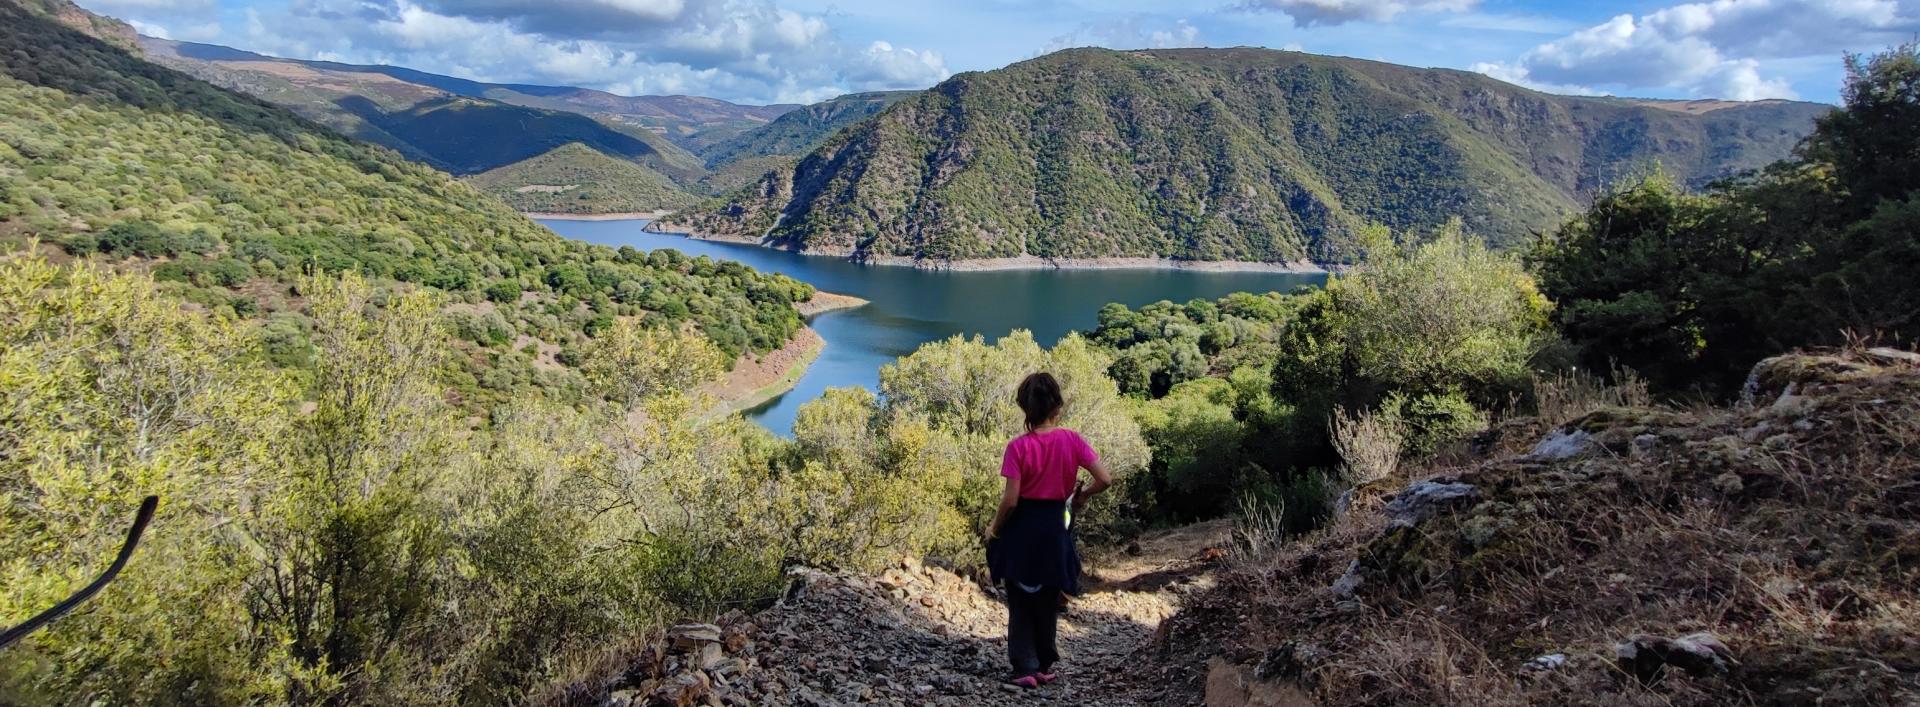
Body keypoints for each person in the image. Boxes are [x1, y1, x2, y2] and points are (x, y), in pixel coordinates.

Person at [985, 372, 1112, 689]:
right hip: (1055, 527)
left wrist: (994, 529)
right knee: (1046, 595)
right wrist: (1080, 497)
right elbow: (1105, 479)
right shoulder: (1073, 441)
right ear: (1057, 406)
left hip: (1022, 529)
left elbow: (1011, 500)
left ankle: (1024, 667)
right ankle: (1043, 664)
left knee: (1020, 598)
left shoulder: (1018, 447)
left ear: (1026, 409)